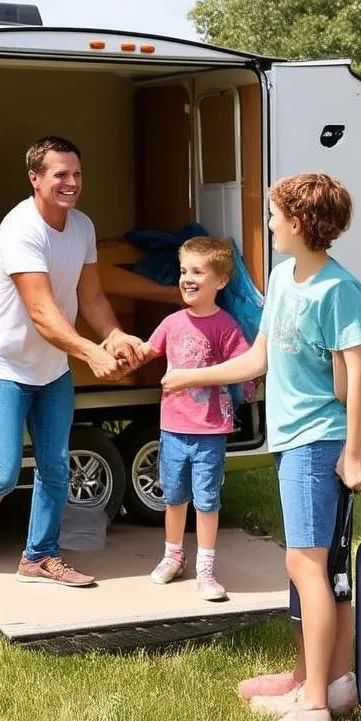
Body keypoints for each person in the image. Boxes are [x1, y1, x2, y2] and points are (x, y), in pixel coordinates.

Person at [162, 172, 361, 721]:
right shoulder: (283, 277)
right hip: (291, 441)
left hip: (316, 442)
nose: (269, 223)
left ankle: (315, 709)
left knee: (308, 568)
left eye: (276, 215)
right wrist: (189, 377)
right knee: (321, 571)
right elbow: (258, 359)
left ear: (301, 222)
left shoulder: (338, 289)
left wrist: (353, 453)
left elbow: (357, 372)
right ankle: (321, 681)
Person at [0, 135, 145, 587]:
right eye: (60, 175)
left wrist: (113, 335)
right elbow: (43, 313)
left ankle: (40, 556)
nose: (71, 183)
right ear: (35, 178)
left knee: (55, 465)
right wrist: (91, 352)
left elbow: (89, 296)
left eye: (77, 174)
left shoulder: (83, 227)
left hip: (53, 372)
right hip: (7, 368)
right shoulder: (19, 229)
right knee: (5, 474)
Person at [142, 236, 252, 601]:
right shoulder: (172, 323)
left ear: (220, 281)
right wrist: (119, 350)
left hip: (210, 432)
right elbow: (146, 350)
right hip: (173, 429)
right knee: (174, 498)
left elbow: (244, 365)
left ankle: (206, 568)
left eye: (198, 272)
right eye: (183, 270)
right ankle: (173, 556)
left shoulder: (225, 326)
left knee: (207, 501)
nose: (187, 278)